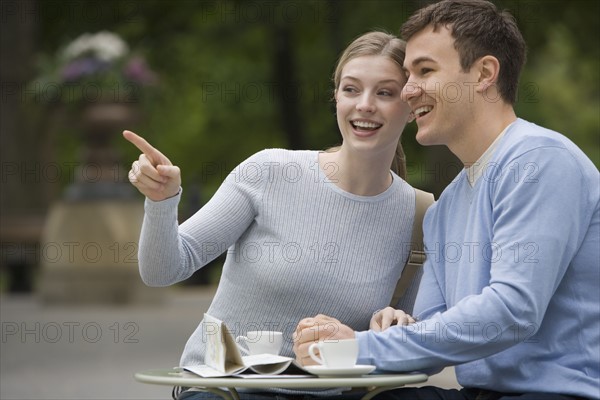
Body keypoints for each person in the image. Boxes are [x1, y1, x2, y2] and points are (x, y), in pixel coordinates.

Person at [293, 1, 600, 399]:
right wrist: (392, 329)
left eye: (425, 71)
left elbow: (511, 312)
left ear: (485, 74)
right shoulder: (445, 208)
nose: (408, 90)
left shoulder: (539, 161)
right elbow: (436, 336)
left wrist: (357, 348)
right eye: (407, 75)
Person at [124, 30, 428, 399]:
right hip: (226, 391)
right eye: (351, 89)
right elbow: (162, 270)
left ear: (411, 106)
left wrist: (396, 331)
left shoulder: (420, 214)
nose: (365, 104)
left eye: (385, 92)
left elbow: (421, 350)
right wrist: (161, 202)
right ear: (336, 99)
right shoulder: (268, 172)